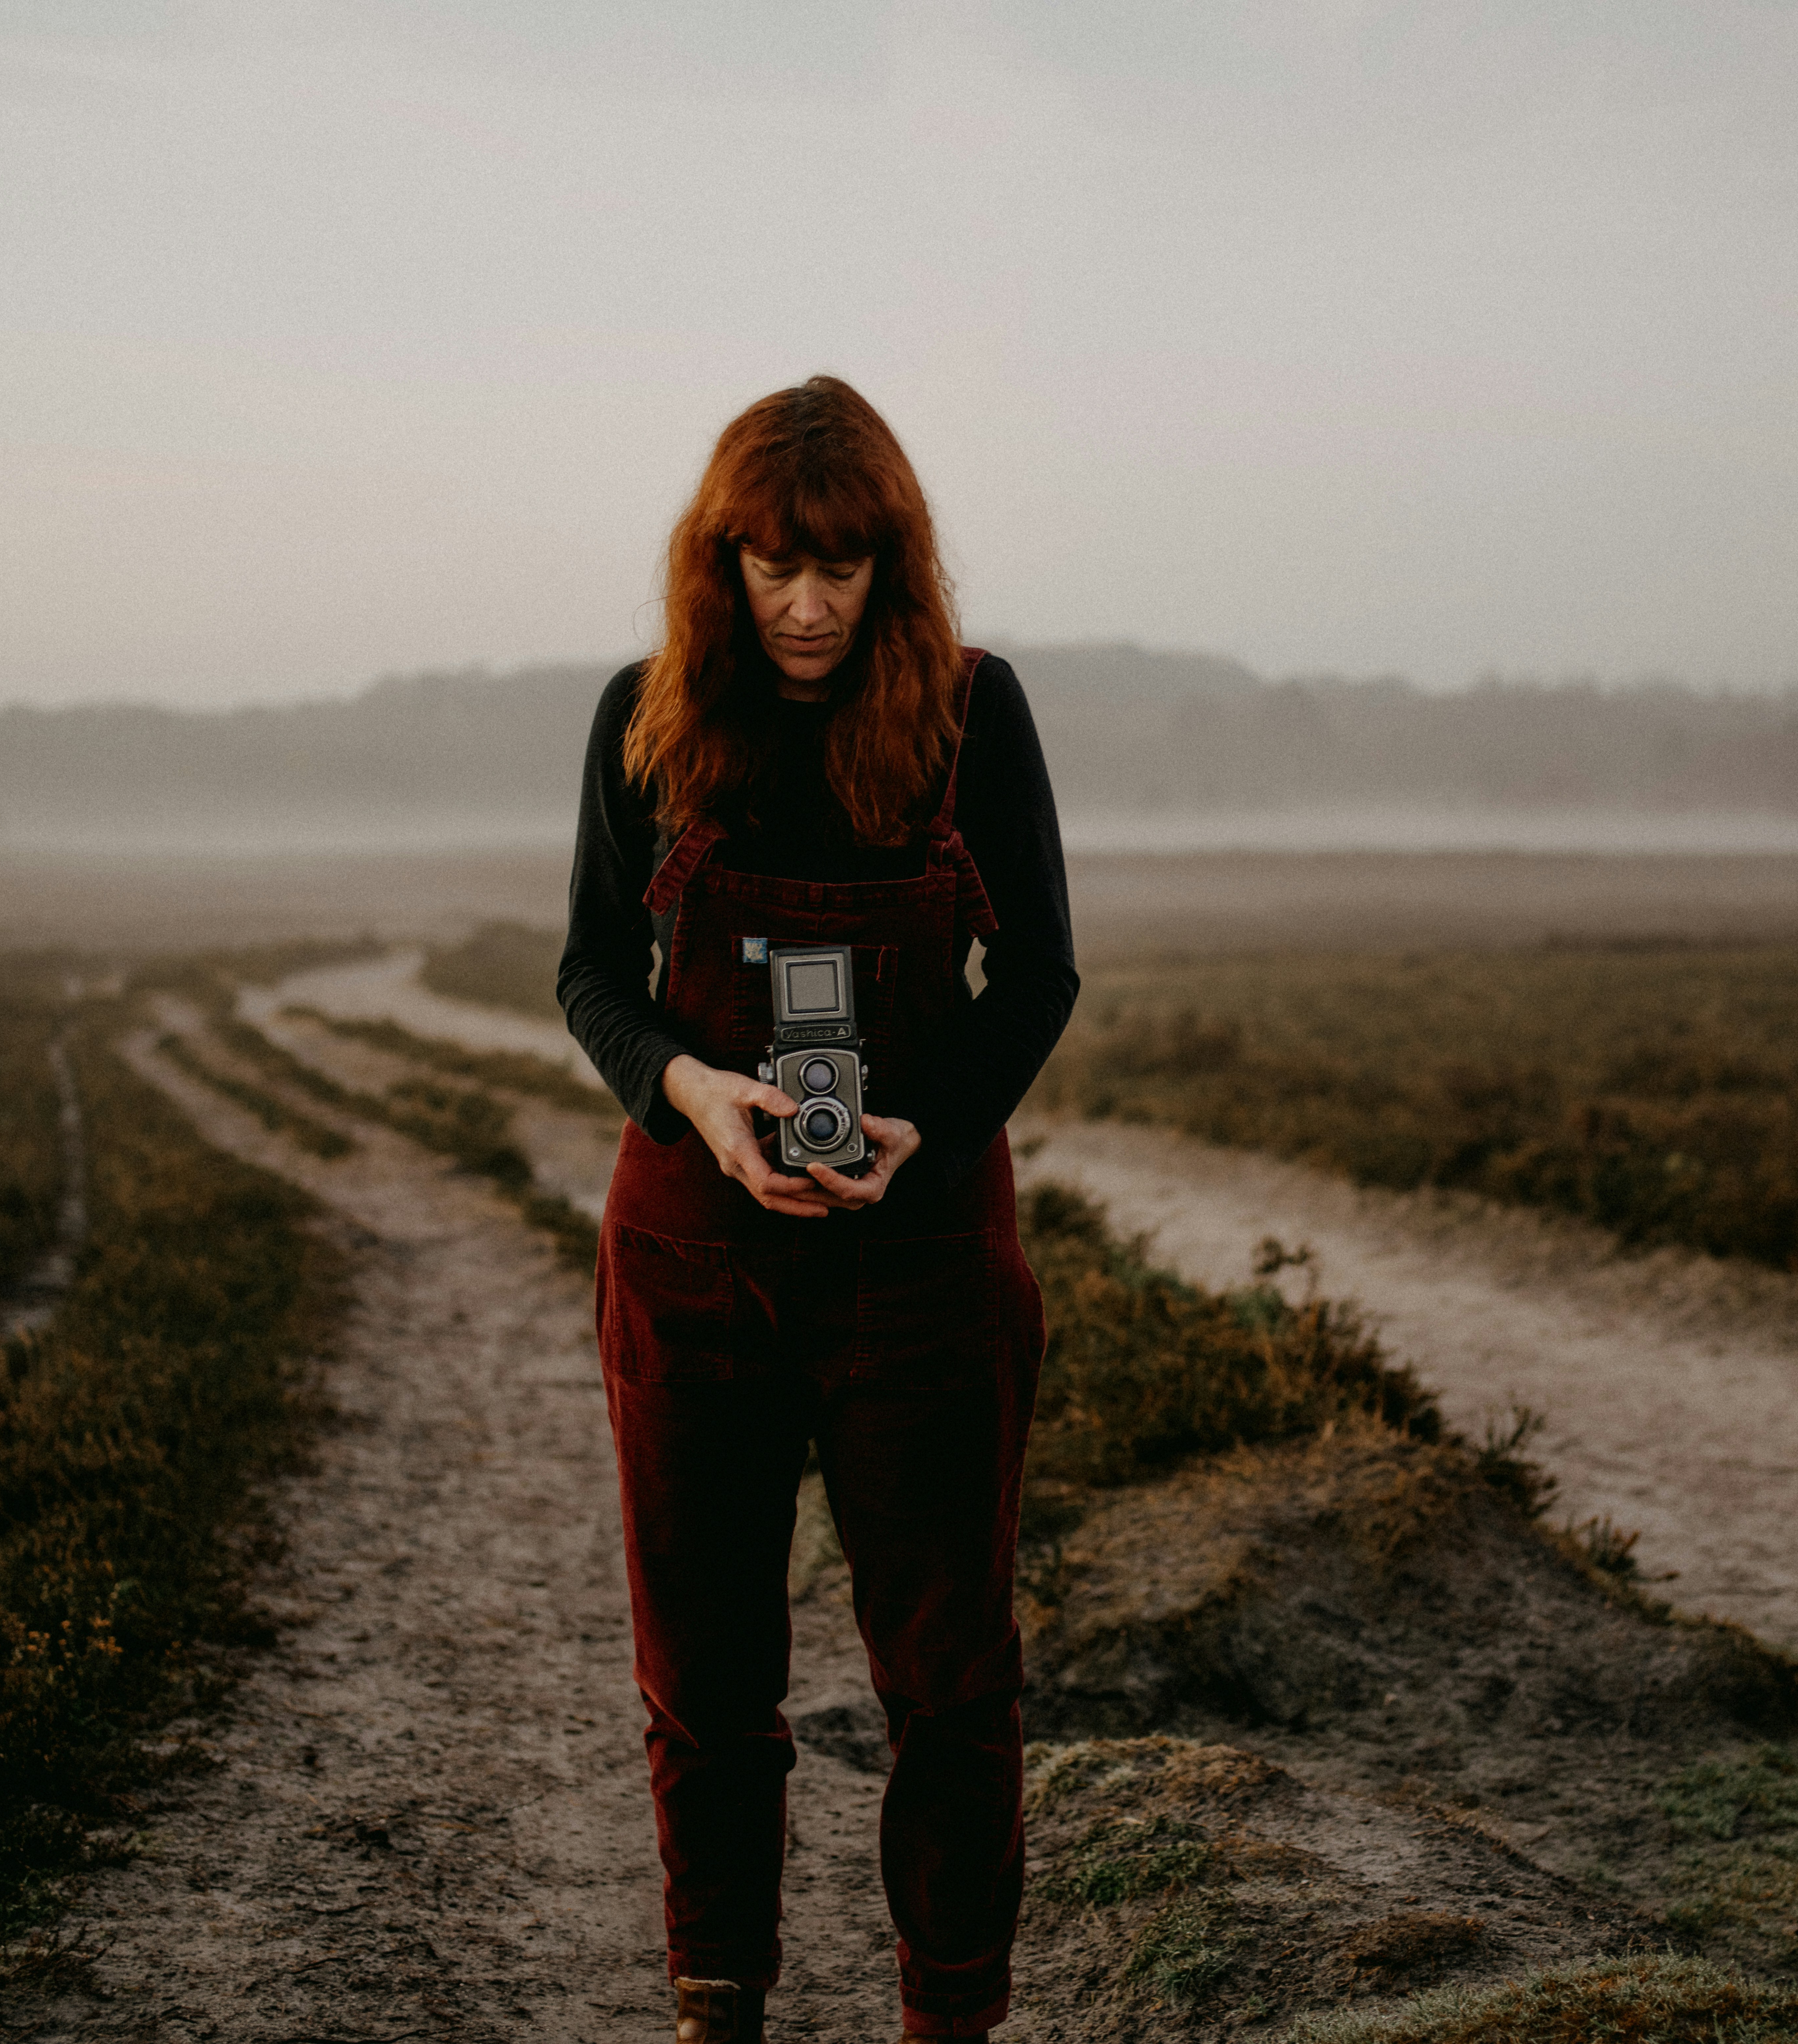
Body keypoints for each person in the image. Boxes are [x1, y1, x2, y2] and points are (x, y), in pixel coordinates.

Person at [557, 376, 1077, 2044]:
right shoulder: (645, 714)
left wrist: (924, 1130)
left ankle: (952, 2024)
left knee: (953, 1683)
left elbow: (1041, 977)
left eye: (842, 571)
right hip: (696, 1263)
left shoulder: (973, 715)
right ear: (722, 560)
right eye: (774, 567)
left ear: (892, 567)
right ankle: (724, 2013)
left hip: (921, 1263)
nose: (805, 607)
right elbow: (591, 977)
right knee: (707, 1690)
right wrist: (697, 1098)